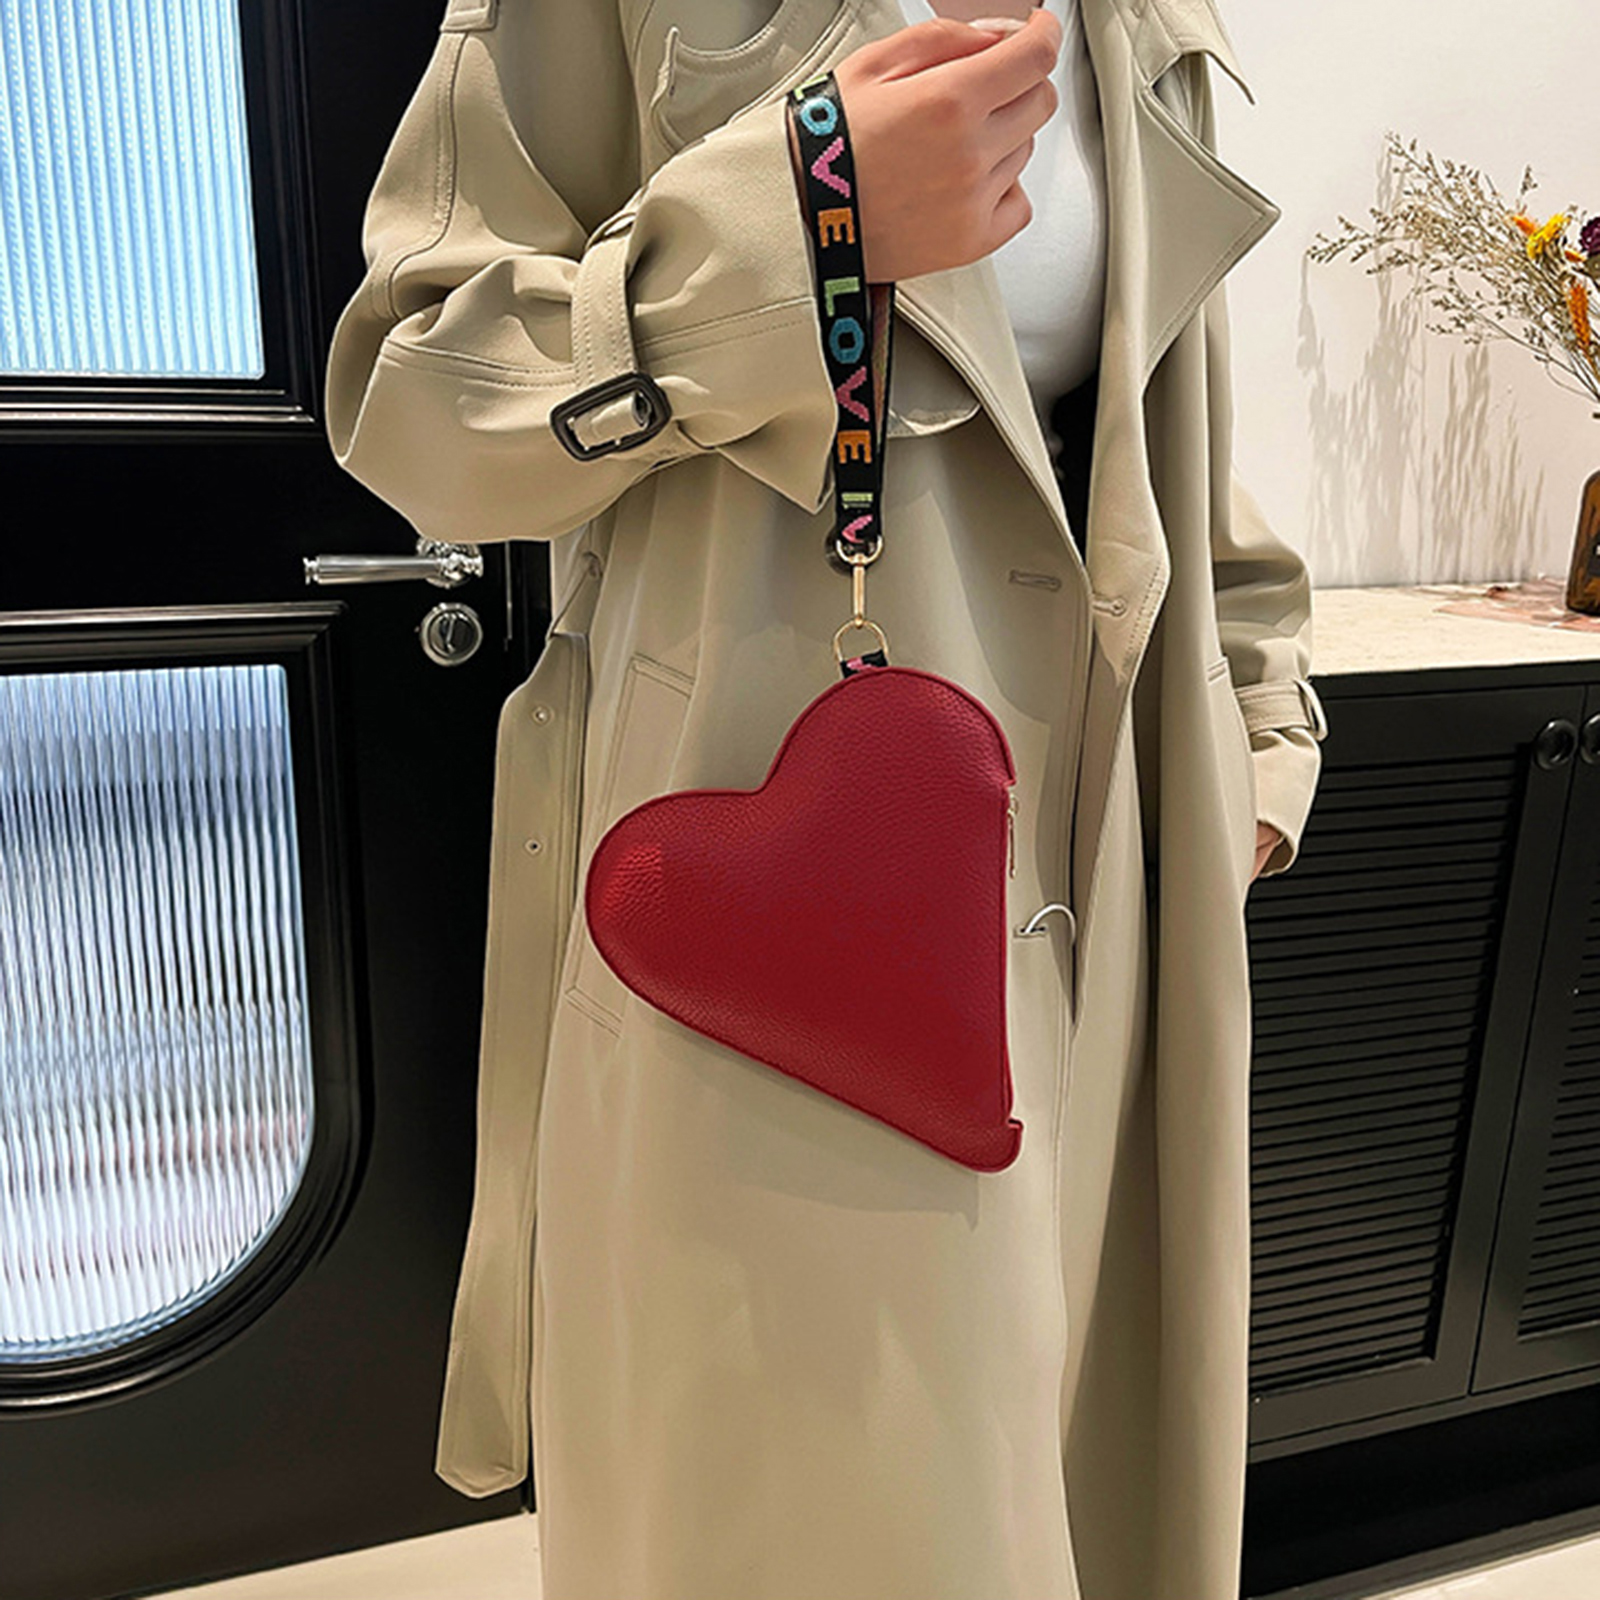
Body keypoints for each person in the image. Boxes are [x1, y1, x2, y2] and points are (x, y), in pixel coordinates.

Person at [322, 1, 1327, 1596]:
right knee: (826, 1513)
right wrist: (798, 225)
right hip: (800, 933)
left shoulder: (1145, 19)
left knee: (1088, 1486)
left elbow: (1159, 419)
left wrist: (1256, 746)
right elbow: (414, 402)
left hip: (1127, 892)